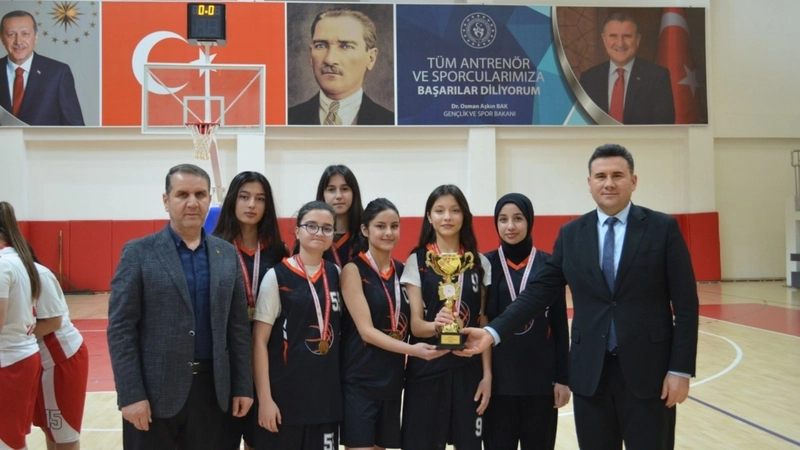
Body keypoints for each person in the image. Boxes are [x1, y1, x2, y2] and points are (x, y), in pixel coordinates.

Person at [460, 144, 699, 450]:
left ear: (633, 181)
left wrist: (679, 370)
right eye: (600, 176)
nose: (608, 183)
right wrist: (493, 332)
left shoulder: (662, 229)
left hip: (649, 374)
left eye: (617, 175)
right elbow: (538, 292)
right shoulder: (571, 234)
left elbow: (686, 305)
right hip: (590, 375)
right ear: (589, 183)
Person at [107, 164, 253, 449]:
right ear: (166, 200)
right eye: (182, 194)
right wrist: (131, 394)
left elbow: (237, 328)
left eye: (200, 194)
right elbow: (121, 330)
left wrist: (243, 386)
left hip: (214, 394)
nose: (192, 202)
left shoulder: (227, 254)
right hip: (154, 396)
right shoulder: (138, 253)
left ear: (209, 199)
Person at [340, 198, 447, 450]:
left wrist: (439, 324)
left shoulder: (403, 271)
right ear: (365, 230)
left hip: (392, 381)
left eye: (394, 226)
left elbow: (415, 323)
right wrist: (414, 351)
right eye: (381, 226)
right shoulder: (352, 270)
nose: (389, 232)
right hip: (360, 381)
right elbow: (366, 332)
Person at [399, 185, 492, 450]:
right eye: (439, 211)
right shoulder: (417, 260)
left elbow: (484, 323)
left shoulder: (479, 263)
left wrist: (487, 375)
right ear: (429, 216)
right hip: (428, 366)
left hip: (468, 368)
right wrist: (436, 325)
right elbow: (416, 326)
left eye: (455, 210)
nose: (447, 217)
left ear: (465, 215)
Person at [252, 201, 343, 450]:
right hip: (284, 401)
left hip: (325, 402)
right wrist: (265, 400)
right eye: (311, 225)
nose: (319, 232)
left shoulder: (338, 274)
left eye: (327, 228)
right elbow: (259, 340)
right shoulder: (276, 276)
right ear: (297, 231)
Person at [482, 193, 570, 450]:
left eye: (518, 218)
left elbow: (560, 326)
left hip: (540, 383)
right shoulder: (485, 264)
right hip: (498, 383)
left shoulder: (549, 265)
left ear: (529, 221)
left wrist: (563, 378)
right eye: (503, 219)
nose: (510, 226)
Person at [213, 171, 288, 450]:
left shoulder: (279, 252)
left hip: (268, 358)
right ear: (233, 200)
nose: (252, 205)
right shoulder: (214, 249)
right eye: (244, 197)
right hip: (226, 360)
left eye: (260, 199)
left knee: (261, 439)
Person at [288, 8, 394, 125]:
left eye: (346, 46)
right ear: (311, 54)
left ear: (371, 58)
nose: (330, 59)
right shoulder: (287, 118)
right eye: (321, 45)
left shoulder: (391, 122)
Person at [579, 12, 674, 125]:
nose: (620, 43)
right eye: (613, 36)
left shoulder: (657, 77)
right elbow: (581, 124)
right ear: (604, 39)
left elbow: (664, 127)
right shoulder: (589, 79)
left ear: (637, 40)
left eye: (627, 36)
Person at [0, 201, 42, 450]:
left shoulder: (3, 265)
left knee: (7, 441)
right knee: (13, 441)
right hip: (23, 355)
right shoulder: (20, 260)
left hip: (9, 361)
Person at [0, 10, 85, 126]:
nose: (18, 41)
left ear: (35, 37)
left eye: (25, 34)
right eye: (11, 34)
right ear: (2, 38)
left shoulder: (58, 73)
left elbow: (75, 127)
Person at [316, 164, 364, 268]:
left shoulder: (367, 235)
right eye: (331, 190)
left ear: (354, 193)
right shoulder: (312, 235)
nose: (338, 196)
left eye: (345, 189)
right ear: (322, 194)